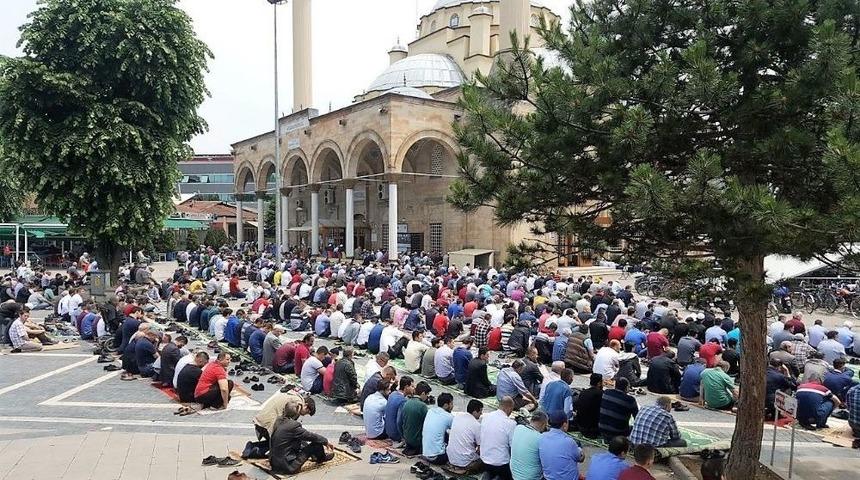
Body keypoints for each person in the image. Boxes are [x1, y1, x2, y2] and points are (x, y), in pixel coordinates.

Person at [268, 405, 335, 475]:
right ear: (296, 413)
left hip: (274, 465)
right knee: (317, 444)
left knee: (300, 440)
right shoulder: (293, 425)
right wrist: (326, 441)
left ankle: (314, 456)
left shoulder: (278, 420)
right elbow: (311, 436)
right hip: (288, 467)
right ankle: (322, 458)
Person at [539, 410, 584, 480]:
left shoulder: (542, 437)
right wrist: (580, 450)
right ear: (565, 425)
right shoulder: (569, 441)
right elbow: (580, 459)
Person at [480, 396, 517, 480]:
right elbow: (513, 447)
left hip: (484, 460)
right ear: (508, 408)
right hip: (501, 464)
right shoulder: (511, 424)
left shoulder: (486, 417)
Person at [446, 399, 484, 473]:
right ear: (475, 411)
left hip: (451, 458)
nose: (481, 413)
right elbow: (480, 447)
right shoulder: (476, 425)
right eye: (480, 411)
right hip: (466, 462)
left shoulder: (457, 417)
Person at [510, 411, 548, 480]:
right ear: (543, 424)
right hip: (532, 478)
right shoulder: (540, 438)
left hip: (514, 475)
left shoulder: (518, 428)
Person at [400, 381, 433, 456]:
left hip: (406, 438)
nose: (427, 397)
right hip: (416, 441)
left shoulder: (407, 402)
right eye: (427, 394)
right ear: (423, 393)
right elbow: (429, 423)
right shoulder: (422, 406)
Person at [422, 392, 454, 465]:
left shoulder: (430, 411)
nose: (452, 406)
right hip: (438, 457)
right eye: (451, 404)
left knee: (443, 433)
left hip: (425, 453)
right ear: (446, 405)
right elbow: (458, 431)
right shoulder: (448, 417)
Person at [384, 376, 414, 442]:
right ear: (406, 387)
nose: (413, 389)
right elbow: (399, 421)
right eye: (412, 386)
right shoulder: (402, 401)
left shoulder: (392, 394)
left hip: (387, 430)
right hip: (395, 434)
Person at [574, 373, 604, 438]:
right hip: (593, 429)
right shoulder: (601, 394)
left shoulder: (583, 392)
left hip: (580, 426)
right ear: (599, 383)